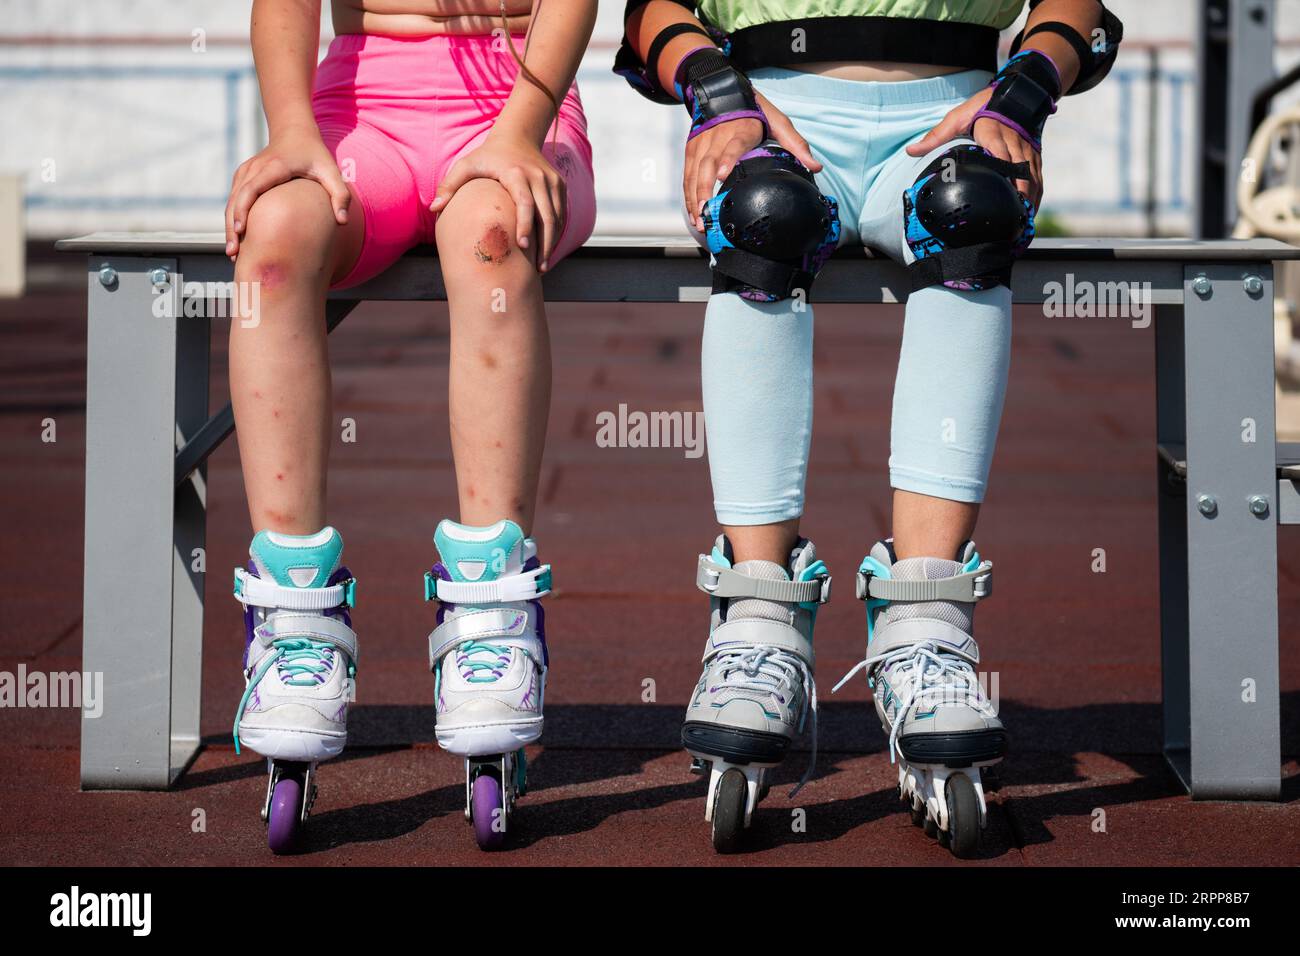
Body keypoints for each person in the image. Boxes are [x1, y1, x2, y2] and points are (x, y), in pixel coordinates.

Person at [617, 0, 1122, 854]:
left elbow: (1077, 7)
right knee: (763, 213)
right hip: (772, 111)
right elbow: (651, 9)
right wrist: (718, 94)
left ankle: (926, 619)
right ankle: (758, 615)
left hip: (951, 110)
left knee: (972, 210)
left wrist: (1023, 93)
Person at [224, 0, 598, 853]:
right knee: (274, 244)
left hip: (516, 102)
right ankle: (291, 619)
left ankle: (493, 610)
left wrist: (518, 132)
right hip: (362, 110)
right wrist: (291, 129)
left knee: (492, 235)